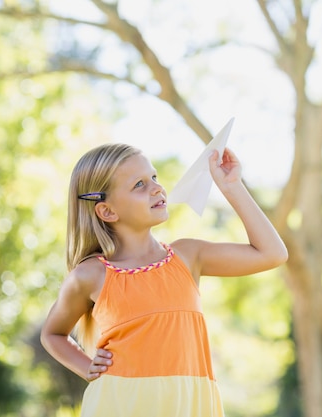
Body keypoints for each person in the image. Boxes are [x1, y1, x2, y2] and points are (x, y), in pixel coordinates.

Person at [40, 142, 288, 417]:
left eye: (154, 178)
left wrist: (231, 186)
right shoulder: (91, 275)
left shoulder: (189, 255)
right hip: (122, 405)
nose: (157, 188)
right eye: (139, 185)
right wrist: (86, 366)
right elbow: (52, 334)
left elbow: (272, 254)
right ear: (108, 211)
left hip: (191, 405)